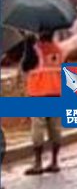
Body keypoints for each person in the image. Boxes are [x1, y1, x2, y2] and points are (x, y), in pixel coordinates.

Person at [21, 31, 63, 175]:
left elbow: (25, 66)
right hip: (55, 93)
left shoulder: (35, 49)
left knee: (38, 128)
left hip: (38, 94)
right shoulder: (58, 50)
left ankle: (38, 163)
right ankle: (54, 162)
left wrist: (28, 43)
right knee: (55, 128)